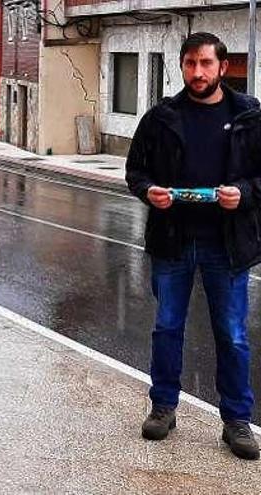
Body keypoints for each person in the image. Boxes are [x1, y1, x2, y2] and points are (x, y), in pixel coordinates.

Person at [126, 33, 261, 460]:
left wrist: (243, 192)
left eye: (206, 63)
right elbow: (135, 172)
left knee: (233, 335)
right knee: (167, 327)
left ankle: (236, 420)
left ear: (223, 67)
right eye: (190, 63)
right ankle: (163, 407)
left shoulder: (250, 116)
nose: (198, 72)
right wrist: (150, 192)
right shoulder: (161, 117)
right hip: (173, 240)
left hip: (228, 244)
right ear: (181, 67)